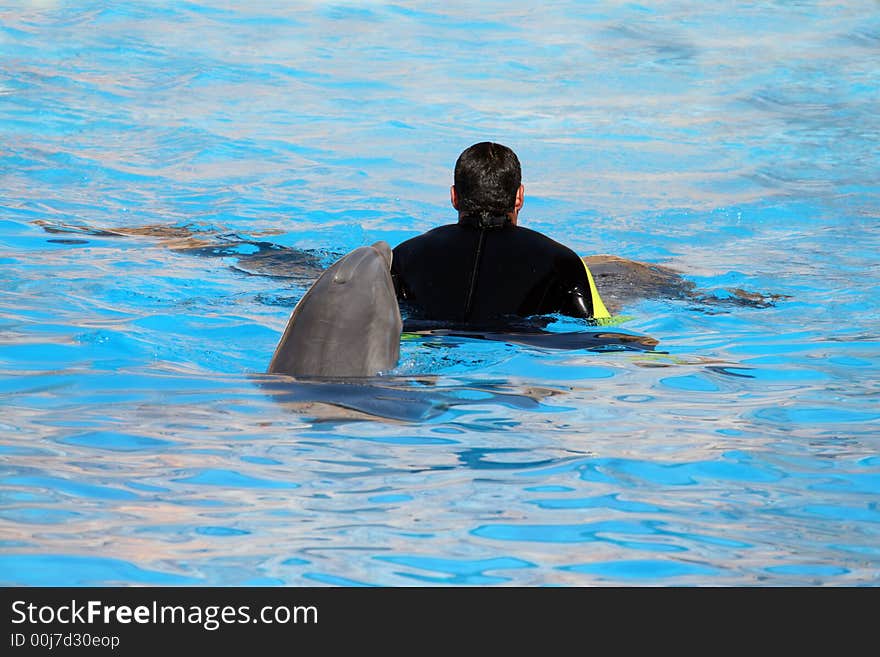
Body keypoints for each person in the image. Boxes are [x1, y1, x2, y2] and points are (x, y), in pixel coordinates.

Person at [391, 142, 610, 326]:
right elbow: (595, 331)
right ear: (519, 197)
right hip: (518, 352)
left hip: (430, 346)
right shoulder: (564, 262)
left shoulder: (403, 256)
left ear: (454, 196)